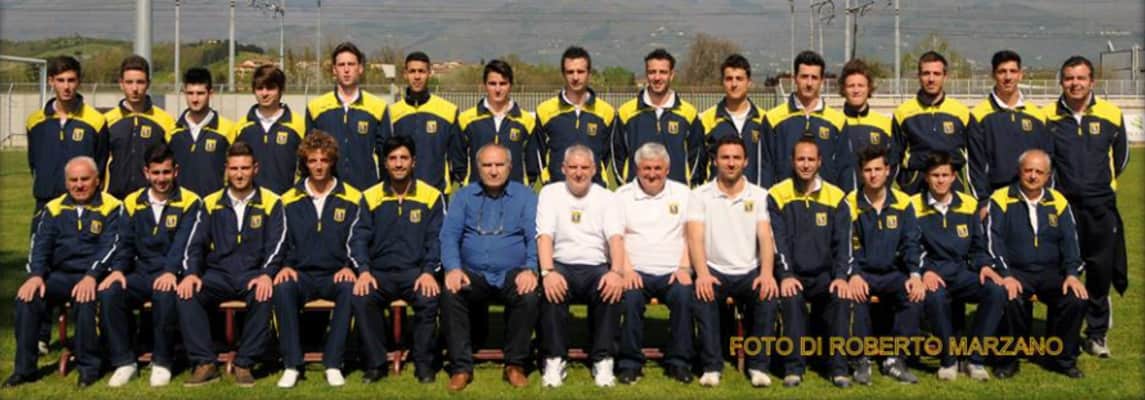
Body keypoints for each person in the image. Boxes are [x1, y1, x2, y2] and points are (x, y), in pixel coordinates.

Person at [5, 156, 122, 388]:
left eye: (85, 179)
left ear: (97, 180)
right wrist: (35, 275)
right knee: (27, 298)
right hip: (60, 275)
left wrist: (91, 276)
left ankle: (88, 368)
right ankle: (24, 369)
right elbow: (40, 245)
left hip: (95, 275)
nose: (79, 185)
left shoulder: (112, 206)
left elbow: (112, 245)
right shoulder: (53, 208)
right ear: (66, 182)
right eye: (73, 180)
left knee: (86, 299)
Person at [178, 141, 285, 388]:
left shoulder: (271, 201)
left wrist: (267, 274)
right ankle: (205, 363)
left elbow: (277, 243)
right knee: (186, 293)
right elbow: (195, 243)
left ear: (255, 169)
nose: (239, 174)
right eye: (234, 168)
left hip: (252, 274)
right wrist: (191, 273)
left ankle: (244, 363)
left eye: (245, 168)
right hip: (218, 274)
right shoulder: (211, 202)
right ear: (226, 169)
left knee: (265, 293)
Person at [1045, 55, 1129, 357]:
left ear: (1092, 81)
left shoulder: (1111, 114)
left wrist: (1098, 186)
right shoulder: (1048, 117)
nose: (1075, 83)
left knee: (1099, 271)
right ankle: (1059, 333)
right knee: (1061, 268)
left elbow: (1121, 159)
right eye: (1069, 78)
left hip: (1100, 207)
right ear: (1061, 82)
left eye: (1081, 78)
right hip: (1063, 208)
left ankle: (1096, 334)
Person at [438, 144, 540, 391]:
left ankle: (515, 364)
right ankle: (461, 367)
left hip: (512, 273)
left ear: (510, 167)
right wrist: (453, 268)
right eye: (487, 165)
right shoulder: (463, 196)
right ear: (477, 168)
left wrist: (530, 268)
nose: (493, 171)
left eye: (499, 165)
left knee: (528, 294)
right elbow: (449, 236)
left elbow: (535, 237)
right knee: (451, 293)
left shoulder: (526, 196)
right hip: (473, 273)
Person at [98, 144, 201, 387]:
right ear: (146, 172)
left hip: (171, 272)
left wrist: (170, 272)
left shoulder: (190, 201)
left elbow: (185, 243)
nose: (161, 179)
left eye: (166, 172)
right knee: (110, 292)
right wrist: (118, 271)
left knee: (164, 293)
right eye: (155, 173)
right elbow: (124, 242)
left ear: (176, 171)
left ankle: (162, 362)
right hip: (141, 272)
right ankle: (124, 362)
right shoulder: (132, 201)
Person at [273, 131, 369, 387]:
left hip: (335, 274)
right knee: (282, 288)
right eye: (312, 160)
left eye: (324, 160)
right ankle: (292, 365)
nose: (318, 166)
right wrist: (285, 266)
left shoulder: (352, 197)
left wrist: (349, 267)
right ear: (305, 163)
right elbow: (281, 239)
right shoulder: (288, 199)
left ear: (332, 162)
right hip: (301, 274)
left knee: (349, 288)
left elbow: (358, 238)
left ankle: (333, 363)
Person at [688, 135, 779, 388]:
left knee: (768, 296)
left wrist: (767, 274)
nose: (731, 163)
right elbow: (695, 237)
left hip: (750, 270)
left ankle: (759, 366)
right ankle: (711, 367)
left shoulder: (760, 195)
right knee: (703, 295)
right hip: (714, 269)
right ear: (715, 161)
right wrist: (702, 274)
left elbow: (765, 237)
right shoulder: (699, 195)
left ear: (746, 161)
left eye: (736, 158)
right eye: (725, 157)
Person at [988, 149, 1087, 379]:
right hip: (1016, 271)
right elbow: (994, 241)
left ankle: (1062, 359)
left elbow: (1070, 240)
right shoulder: (1001, 198)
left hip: (1051, 272)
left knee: (1076, 299)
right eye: (1028, 170)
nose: (1033, 176)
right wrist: (1005, 274)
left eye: (1039, 172)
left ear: (1048, 176)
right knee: (1008, 296)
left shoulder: (1057, 200)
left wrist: (1072, 274)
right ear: (1019, 171)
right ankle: (1007, 360)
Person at [354, 135, 445, 384]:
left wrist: (429, 271)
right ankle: (375, 364)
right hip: (379, 273)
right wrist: (363, 271)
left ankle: (423, 364)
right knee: (362, 297)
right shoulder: (370, 196)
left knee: (428, 298)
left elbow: (437, 239)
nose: (398, 164)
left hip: (415, 272)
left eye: (404, 158)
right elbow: (358, 238)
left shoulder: (431, 196)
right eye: (393, 158)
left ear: (413, 161)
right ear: (385, 163)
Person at [537, 145, 626, 388]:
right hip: (561, 263)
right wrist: (547, 272)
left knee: (610, 289)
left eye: (585, 167)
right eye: (573, 167)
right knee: (551, 291)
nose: (579, 173)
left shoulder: (607, 197)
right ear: (563, 168)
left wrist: (616, 272)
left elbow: (616, 239)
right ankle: (554, 359)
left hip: (596, 265)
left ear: (594, 169)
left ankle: (603, 359)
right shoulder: (550, 193)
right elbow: (545, 236)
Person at [768, 137, 852, 388]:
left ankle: (838, 368)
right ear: (792, 161)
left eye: (810, 159)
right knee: (792, 299)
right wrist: (786, 275)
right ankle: (794, 368)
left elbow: (843, 244)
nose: (805, 165)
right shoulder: (777, 194)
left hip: (826, 275)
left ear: (819, 162)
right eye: (801, 159)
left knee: (840, 298)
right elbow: (778, 241)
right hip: (793, 274)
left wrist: (841, 277)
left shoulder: (836, 197)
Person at [914, 151, 1004, 381]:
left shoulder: (968, 204)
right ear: (926, 177)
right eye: (935, 175)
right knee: (934, 296)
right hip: (934, 273)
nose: (940, 180)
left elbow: (978, 245)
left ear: (954, 177)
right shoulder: (913, 206)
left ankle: (975, 359)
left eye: (945, 175)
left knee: (996, 289)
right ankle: (949, 361)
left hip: (962, 272)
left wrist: (984, 266)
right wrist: (925, 270)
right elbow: (910, 246)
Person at [615, 142, 695, 385]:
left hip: (673, 271)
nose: (652, 174)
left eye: (657, 168)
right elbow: (616, 237)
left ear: (667, 169)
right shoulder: (622, 196)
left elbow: (692, 235)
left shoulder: (683, 194)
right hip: (635, 271)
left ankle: (679, 362)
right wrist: (627, 270)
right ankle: (630, 363)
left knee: (684, 296)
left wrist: (684, 267)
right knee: (630, 299)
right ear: (637, 169)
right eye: (646, 168)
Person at [845, 145, 923, 385]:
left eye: (878, 169)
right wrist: (854, 274)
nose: (873, 175)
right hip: (863, 273)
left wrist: (915, 274)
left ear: (888, 170)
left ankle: (895, 359)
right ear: (861, 173)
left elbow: (911, 242)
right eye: (868, 170)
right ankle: (861, 359)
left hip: (893, 273)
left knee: (914, 295)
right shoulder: (849, 203)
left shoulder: (903, 202)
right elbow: (845, 245)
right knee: (856, 296)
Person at [27, 55, 107, 218]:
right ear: (51, 81)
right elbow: (33, 163)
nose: (66, 86)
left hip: (82, 206)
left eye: (71, 80)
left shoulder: (96, 121)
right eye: (60, 80)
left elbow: (100, 165)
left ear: (78, 82)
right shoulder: (35, 122)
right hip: (45, 204)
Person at [968, 50, 1052, 204]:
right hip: (996, 199)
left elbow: (1048, 161)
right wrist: (983, 200)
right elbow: (975, 166)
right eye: (1002, 72)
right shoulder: (978, 116)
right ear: (993, 75)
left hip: (1033, 198)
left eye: (1013, 71)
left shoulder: (1038, 116)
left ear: (1020, 75)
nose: (1008, 77)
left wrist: (1045, 197)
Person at [306, 41, 391, 191]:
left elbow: (386, 155)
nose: (346, 70)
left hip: (365, 191)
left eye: (351, 64)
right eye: (341, 65)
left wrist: (384, 189)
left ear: (360, 68)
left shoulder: (378, 107)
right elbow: (308, 154)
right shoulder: (316, 108)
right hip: (329, 191)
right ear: (334, 70)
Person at [613, 48, 704, 186]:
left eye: (663, 72)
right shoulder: (626, 112)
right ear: (646, 75)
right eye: (652, 72)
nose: (657, 78)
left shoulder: (688, 113)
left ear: (671, 75)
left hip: (676, 194)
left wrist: (686, 186)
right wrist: (626, 186)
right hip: (637, 194)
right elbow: (617, 156)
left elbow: (696, 156)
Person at [763, 51, 848, 189]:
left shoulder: (837, 121)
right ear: (795, 78)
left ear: (822, 81)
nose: (809, 83)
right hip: (785, 199)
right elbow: (766, 167)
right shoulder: (773, 118)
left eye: (814, 77)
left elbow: (845, 169)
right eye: (804, 77)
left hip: (824, 200)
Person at [893, 51, 973, 195]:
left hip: (952, 189)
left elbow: (975, 158)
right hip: (914, 189)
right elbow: (894, 159)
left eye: (936, 74)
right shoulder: (903, 113)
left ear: (945, 76)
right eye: (926, 73)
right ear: (919, 76)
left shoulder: (961, 112)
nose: (931, 79)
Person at [535, 46, 616, 185]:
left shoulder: (606, 112)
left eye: (580, 71)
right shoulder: (545, 110)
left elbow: (606, 155)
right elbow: (538, 153)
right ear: (563, 74)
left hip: (594, 188)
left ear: (589, 73)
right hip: (557, 188)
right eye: (570, 72)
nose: (575, 77)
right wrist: (547, 180)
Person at [456, 59, 542, 186]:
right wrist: (466, 182)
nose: (497, 89)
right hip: (477, 191)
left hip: (514, 191)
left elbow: (532, 161)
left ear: (510, 85)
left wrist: (527, 184)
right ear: (484, 85)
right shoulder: (466, 119)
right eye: (492, 84)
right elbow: (458, 158)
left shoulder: (526, 121)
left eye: (503, 83)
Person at [389, 51, 464, 193]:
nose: (417, 77)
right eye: (412, 71)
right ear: (405, 74)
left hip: (437, 192)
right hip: (402, 192)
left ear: (429, 73)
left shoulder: (448, 111)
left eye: (421, 71)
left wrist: (455, 180)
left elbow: (458, 157)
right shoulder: (392, 113)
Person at [103, 55, 176, 199]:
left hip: (151, 200)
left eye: (140, 82)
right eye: (129, 82)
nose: (135, 88)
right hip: (115, 199)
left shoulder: (166, 121)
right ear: (121, 83)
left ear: (148, 84)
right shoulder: (106, 121)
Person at [234, 64, 306, 194]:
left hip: (286, 201)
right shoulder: (242, 127)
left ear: (281, 90)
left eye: (270, 88)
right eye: (259, 88)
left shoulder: (298, 125)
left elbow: (307, 166)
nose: (264, 93)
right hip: (252, 202)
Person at [699, 54, 767, 185]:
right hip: (717, 195)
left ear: (749, 82)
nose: (734, 84)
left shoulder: (764, 120)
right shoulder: (707, 119)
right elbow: (700, 166)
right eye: (729, 79)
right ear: (722, 82)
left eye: (739, 79)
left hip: (754, 194)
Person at [169, 67, 235, 197]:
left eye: (200, 93)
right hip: (181, 205)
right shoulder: (172, 131)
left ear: (210, 94)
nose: (194, 99)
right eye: (190, 93)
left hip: (215, 205)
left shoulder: (228, 129)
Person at [837, 58, 895, 192]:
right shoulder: (835, 123)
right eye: (851, 86)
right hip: (841, 198)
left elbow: (893, 162)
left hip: (874, 198)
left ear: (869, 88)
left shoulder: (884, 124)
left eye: (861, 85)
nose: (856, 90)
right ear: (843, 89)